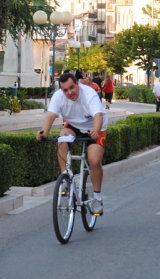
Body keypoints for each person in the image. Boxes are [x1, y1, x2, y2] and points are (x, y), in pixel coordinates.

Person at [36, 73, 108, 216]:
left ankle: (97, 198)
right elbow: (50, 115)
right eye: (65, 90)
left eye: (72, 88)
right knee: (62, 138)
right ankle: (66, 178)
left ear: (78, 84)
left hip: (95, 127)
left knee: (94, 161)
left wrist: (95, 130)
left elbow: (98, 116)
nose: (70, 93)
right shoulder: (58, 97)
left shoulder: (89, 94)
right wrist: (44, 132)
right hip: (74, 125)